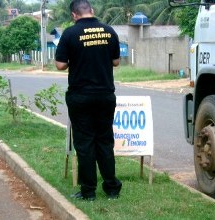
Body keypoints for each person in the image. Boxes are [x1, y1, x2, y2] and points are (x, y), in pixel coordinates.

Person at [55, 0, 122, 201]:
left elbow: (60, 65)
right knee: (105, 141)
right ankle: (111, 188)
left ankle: (89, 191)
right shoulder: (109, 31)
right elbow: (116, 62)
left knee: (84, 144)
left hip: (81, 96)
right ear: (92, 11)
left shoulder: (69, 34)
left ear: (74, 15)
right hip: (105, 95)